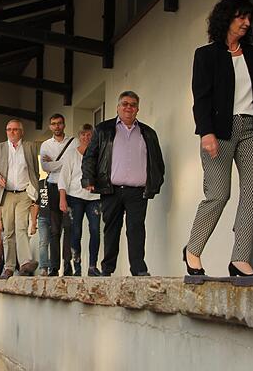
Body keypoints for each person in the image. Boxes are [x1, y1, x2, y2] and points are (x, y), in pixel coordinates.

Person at [185, 0, 253, 277]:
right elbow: (200, 98)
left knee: (252, 194)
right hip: (219, 132)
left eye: (249, 18)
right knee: (218, 194)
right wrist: (206, 132)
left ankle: (239, 258)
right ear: (226, 18)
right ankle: (193, 250)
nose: (247, 23)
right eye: (241, 17)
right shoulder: (206, 55)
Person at [82, 91, 165, 277]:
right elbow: (90, 156)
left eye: (133, 104)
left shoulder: (148, 133)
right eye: (125, 104)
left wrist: (155, 184)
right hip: (111, 189)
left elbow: (158, 162)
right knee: (111, 229)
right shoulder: (103, 130)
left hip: (138, 191)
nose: (129, 107)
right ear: (118, 107)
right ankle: (107, 269)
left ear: (138, 109)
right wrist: (88, 179)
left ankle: (139, 269)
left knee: (136, 230)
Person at [0, 118, 40, 277]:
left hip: (24, 193)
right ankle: (9, 266)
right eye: (9, 129)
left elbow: (34, 170)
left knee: (21, 227)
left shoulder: (30, 146)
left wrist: (34, 190)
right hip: (7, 194)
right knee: (8, 230)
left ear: (21, 132)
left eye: (15, 129)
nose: (12, 132)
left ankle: (25, 262)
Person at [59, 124, 102, 277]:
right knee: (75, 232)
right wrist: (62, 199)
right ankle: (77, 266)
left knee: (95, 231)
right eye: (83, 134)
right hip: (74, 197)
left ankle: (92, 266)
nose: (86, 137)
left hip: (94, 198)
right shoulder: (71, 154)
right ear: (79, 137)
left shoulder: (99, 154)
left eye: (89, 134)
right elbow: (63, 178)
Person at [40, 113, 76, 276]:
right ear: (50, 126)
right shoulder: (45, 145)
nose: (57, 126)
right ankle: (54, 266)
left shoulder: (74, 142)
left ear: (64, 124)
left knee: (69, 227)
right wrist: (63, 163)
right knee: (55, 229)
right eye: (53, 124)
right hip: (53, 186)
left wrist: (54, 162)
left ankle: (67, 265)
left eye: (59, 123)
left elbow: (75, 164)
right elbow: (46, 167)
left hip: (71, 188)